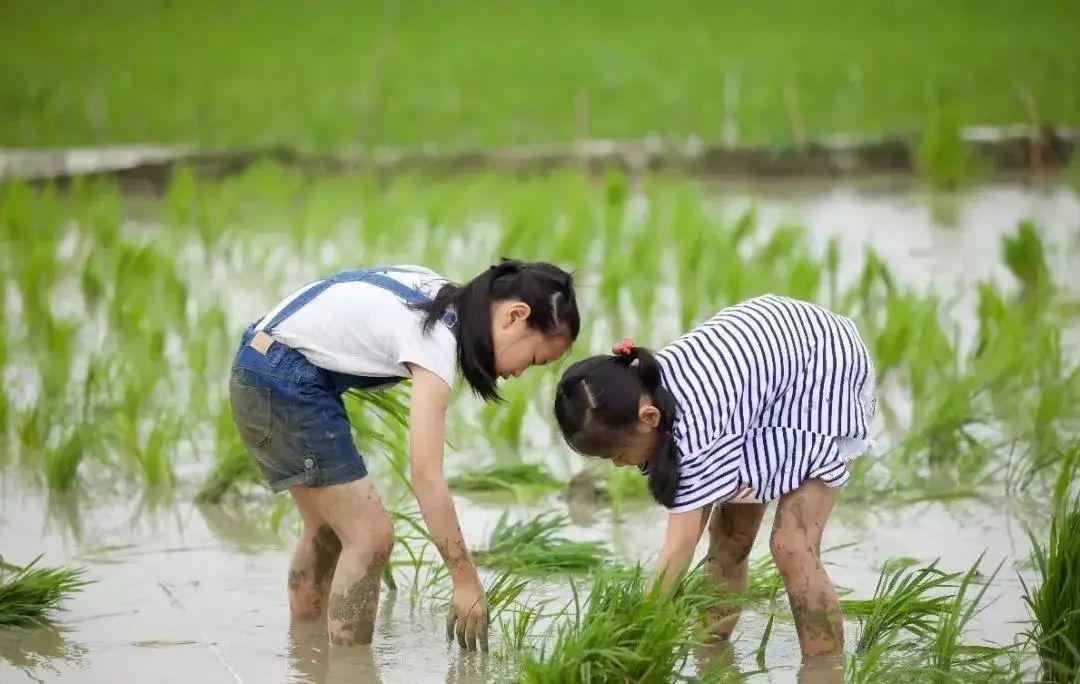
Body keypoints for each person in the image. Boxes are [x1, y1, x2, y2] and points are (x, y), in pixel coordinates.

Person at [230, 261, 579, 650]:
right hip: (283, 381)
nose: (520, 373)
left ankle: (307, 653)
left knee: (329, 530)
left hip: (263, 360)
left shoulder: (440, 298)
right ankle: (350, 673)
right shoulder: (437, 340)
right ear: (516, 316)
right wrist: (465, 581)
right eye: (533, 359)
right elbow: (427, 477)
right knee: (370, 537)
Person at [553, 294, 875, 658]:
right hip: (769, 371)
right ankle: (711, 655)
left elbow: (678, 548)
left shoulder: (695, 425)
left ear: (648, 418)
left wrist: (633, 639)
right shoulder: (650, 395)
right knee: (729, 539)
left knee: (792, 546)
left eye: (616, 453)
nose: (618, 464)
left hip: (824, 365)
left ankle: (824, 670)